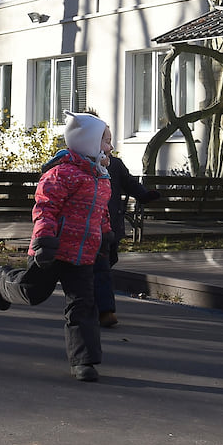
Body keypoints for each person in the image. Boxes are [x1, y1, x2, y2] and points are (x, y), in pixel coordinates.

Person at [0, 111, 112, 383]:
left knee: (83, 305)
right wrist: (44, 239)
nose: (110, 147)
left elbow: (100, 213)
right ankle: (5, 284)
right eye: (106, 141)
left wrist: (106, 237)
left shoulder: (102, 178)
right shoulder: (62, 173)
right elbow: (44, 208)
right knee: (33, 293)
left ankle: (84, 362)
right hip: (52, 250)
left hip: (83, 255)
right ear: (89, 143)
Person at [92, 121, 159, 328]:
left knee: (108, 262)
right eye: (106, 141)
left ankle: (93, 299)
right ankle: (105, 310)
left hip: (113, 228)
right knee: (100, 269)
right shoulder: (84, 166)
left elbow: (129, 183)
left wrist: (144, 195)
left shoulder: (116, 165)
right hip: (92, 230)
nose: (111, 147)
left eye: (111, 141)